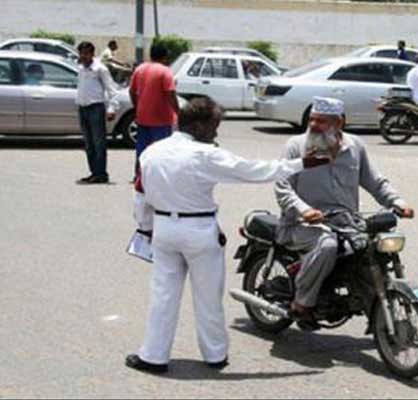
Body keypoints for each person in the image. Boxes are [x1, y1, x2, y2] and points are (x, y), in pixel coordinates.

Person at [125, 97, 329, 374]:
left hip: (163, 230)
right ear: (198, 126)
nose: (216, 132)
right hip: (199, 231)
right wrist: (301, 164)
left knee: (163, 296)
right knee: (208, 297)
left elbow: (140, 195)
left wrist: (146, 227)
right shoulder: (205, 155)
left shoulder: (152, 152)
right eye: (214, 125)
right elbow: (255, 171)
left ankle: (153, 356)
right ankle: (215, 355)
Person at [275, 97, 414, 323]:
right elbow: (283, 187)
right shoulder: (295, 146)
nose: (313, 125)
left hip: (347, 223)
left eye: (321, 121)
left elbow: (374, 181)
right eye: (311, 119)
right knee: (328, 245)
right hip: (300, 225)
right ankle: (302, 301)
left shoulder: (355, 147)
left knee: (372, 250)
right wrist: (304, 210)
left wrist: (397, 202)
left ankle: (378, 315)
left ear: (339, 123)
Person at [129, 42, 179, 174]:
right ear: (165, 56)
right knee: (161, 150)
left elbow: (132, 91)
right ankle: (158, 176)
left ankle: (139, 175)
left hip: (143, 117)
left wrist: (137, 107)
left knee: (142, 149)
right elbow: (171, 94)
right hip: (161, 119)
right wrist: (178, 112)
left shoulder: (140, 69)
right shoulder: (165, 71)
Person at [75, 41, 120, 184]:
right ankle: (94, 172)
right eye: (81, 53)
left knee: (98, 143)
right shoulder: (81, 68)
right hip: (83, 108)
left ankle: (101, 174)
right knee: (88, 144)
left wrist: (112, 108)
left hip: (95, 108)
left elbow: (112, 90)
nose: (83, 56)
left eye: (86, 53)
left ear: (92, 54)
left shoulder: (100, 69)